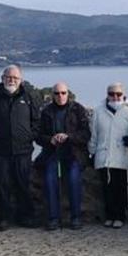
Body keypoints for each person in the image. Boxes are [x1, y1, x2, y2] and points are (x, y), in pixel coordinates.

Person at [0, 65, 40, 230]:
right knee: (2, 184)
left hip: (23, 150)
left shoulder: (28, 97)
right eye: (9, 77)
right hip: (1, 150)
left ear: (21, 80)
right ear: (2, 78)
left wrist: (29, 136)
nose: (12, 80)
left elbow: (36, 122)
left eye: (15, 77)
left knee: (23, 183)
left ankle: (26, 216)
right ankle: (3, 218)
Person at [35, 82, 91, 230]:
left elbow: (86, 134)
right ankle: (53, 218)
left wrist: (68, 137)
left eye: (63, 93)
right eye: (57, 93)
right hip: (53, 152)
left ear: (68, 94)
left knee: (73, 178)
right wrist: (50, 140)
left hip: (74, 153)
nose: (60, 96)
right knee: (49, 179)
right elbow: (39, 136)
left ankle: (76, 217)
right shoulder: (46, 112)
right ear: (52, 95)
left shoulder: (78, 110)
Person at [90, 82, 128, 228]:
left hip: (123, 155)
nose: (115, 97)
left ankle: (120, 216)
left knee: (122, 188)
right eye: (112, 94)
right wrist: (92, 151)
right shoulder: (98, 111)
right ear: (107, 95)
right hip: (105, 155)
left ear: (123, 95)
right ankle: (110, 215)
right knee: (107, 188)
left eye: (118, 94)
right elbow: (94, 134)